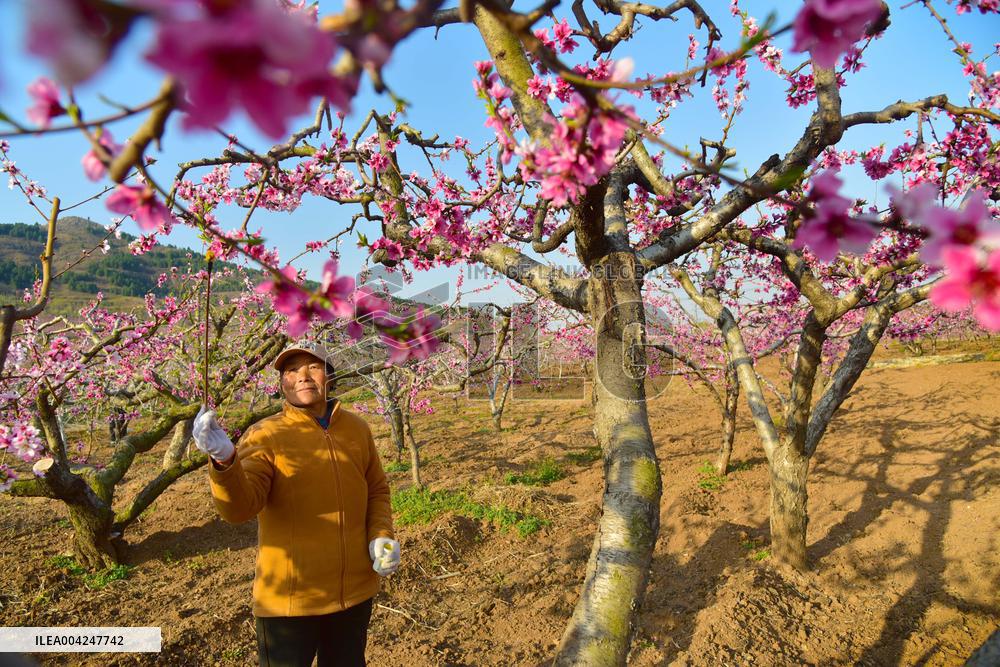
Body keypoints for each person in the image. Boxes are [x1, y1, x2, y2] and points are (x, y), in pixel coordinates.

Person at [191, 341, 400, 667]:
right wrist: (226, 462)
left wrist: (381, 534)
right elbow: (239, 509)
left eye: (312, 367)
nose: (302, 376)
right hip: (290, 603)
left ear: (329, 377)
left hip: (354, 595)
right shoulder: (266, 435)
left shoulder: (357, 430)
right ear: (282, 384)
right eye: (291, 370)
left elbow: (376, 490)